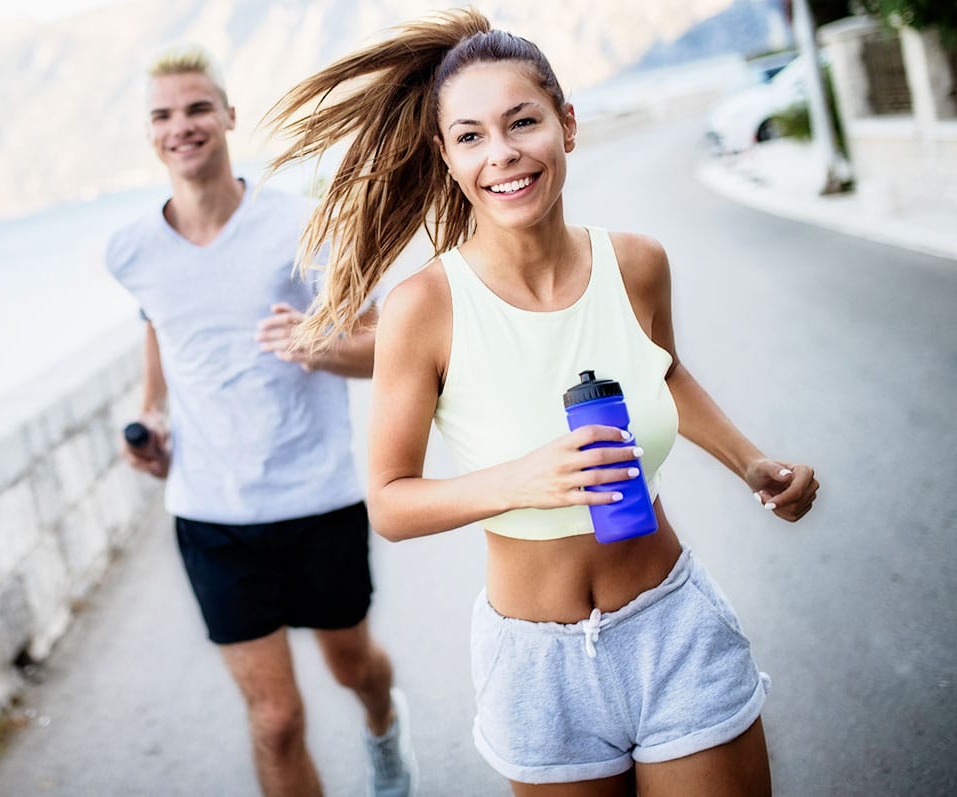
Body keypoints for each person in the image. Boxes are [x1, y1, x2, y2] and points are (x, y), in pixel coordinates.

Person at [264, 10, 819, 796]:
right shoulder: (424, 308)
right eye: (471, 136)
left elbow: (661, 374)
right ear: (445, 156)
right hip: (536, 668)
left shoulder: (636, 263)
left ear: (565, 124)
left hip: (673, 628)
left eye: (522, 122)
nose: (503, 155)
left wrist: (754, 464)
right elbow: (389, 501)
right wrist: (519, 480)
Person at [104, 45, 416, 797]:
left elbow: (384, 350)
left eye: (197, 108)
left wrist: (317, 344)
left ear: (228, 117)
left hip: (320, 501)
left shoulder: (299, 227)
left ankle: (383, 722)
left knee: (353, 666)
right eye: (164, 114)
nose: (182, 125)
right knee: (275, 719)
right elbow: (161, 326)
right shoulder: (130, 251)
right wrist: (151, 414)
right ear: (150, 134)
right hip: (212, 515)